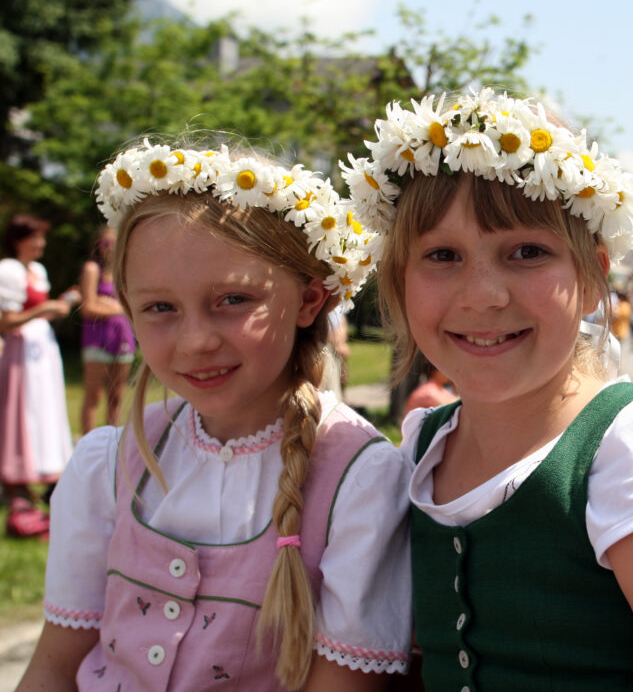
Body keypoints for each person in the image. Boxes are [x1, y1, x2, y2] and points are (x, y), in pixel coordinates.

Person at [344, 88, 633, 690]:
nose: (483, 294)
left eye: (527, 251)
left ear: (592, 275)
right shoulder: (420, 449)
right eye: (443, 254)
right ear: (399, 278)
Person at [18, 140, 412, 691]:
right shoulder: (109, 463)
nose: (196, 340)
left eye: (232, 300)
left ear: (309, 300)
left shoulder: (357, 477)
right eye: (160, 308)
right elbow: (54, 668)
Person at [0, 214, 80, 538]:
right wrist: (46, 310)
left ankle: (47, 475)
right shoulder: (9, 271)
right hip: (19, 351)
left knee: (45, 411)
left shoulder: (38, 271)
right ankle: (17, 480)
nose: (41, 244)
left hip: (41, 350)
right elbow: (6, 321)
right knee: (22, 412)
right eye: (36, 237)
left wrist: (61, 304)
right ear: (20, 239)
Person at [78, 225, 136, 434]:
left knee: (117, 396)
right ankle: (87, 443)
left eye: (114, 243)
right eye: (105, 243)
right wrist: (119, 308)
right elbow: (88, 307)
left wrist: (109, 305)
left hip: (123, 338)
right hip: (97, 338)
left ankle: (113, 442)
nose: (110, 248)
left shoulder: (126, 270)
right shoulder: (93, 270)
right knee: (94, 395)